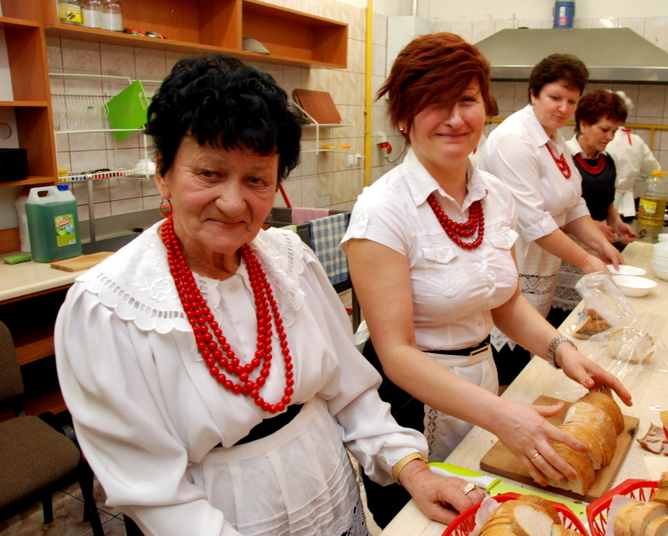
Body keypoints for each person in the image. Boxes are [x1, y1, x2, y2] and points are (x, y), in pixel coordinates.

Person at [53, 55, 488, 536]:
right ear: (163, 172)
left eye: (256, 180)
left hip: (329, 494)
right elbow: (151, 487)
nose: (233, 203)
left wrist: (414, 471)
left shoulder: (288, 260)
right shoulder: (109, 306)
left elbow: (349, 392)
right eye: (209, 173)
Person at [342, 34, 632, 528]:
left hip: (482, 379)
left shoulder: (494, 194)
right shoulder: (382, 210)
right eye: (434, 103)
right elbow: (396, 352)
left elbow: (506, 302)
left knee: (489, 516)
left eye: (466, 100)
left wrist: (563, 351)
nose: (455, 118)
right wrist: (500, 415)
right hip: (410, 403)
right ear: (404, 117)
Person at [478, 53, 626, 385]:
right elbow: (534, 222)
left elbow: (573, 205)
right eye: (555, 97)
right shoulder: (515, 140)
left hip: (542, 265)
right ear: (534, 93)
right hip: (513, 266)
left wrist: (603, 246)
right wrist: (586, 260)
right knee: (507, 369)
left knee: (526, 369)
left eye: (571, 101)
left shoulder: (553, 138)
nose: (563, 108)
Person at [549, 89, 639, 326]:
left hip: (598, 251)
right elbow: (549, 216)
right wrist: (591, 227)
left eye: (614, 131)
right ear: (583, 124)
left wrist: (616, 222)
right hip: (566, 253)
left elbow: (606, 201)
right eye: (604, 129)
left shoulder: (607, 160)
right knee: (564, 318)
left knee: (592, 317)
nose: (610, 137)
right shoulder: (562, 157)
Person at [605, 91, 661, 221]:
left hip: (603, 208)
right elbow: (654, 172)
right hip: (627, 209)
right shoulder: (636, 141)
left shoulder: (602, 139)